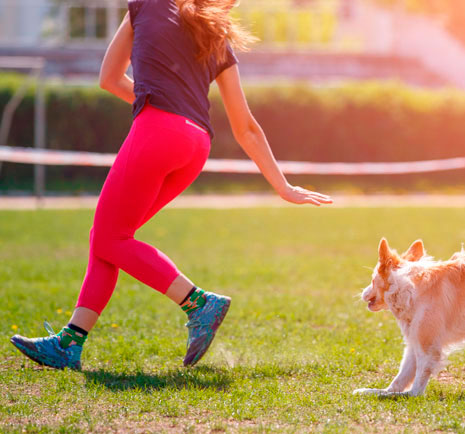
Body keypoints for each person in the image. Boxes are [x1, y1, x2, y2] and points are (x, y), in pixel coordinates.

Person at [10, 0, 332, 370]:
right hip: (195, 146)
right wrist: (283, 186)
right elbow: (246, 128)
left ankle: (197, 302)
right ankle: (70, 342)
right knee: (109, 237)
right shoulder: (216, 35)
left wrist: (158, 102)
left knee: (111, 238)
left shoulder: (145, 4)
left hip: (157, 132)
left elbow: (109, 78)